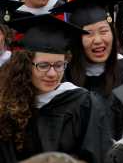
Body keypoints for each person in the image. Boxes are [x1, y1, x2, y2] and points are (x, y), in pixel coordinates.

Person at [0, 15, 112, 162]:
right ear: (25, 66)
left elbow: (98, 155)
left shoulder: (83, 104)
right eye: (43, 65)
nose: (52, 74)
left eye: (59, 65)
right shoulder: (10, 106)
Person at [51, 0, 123, 140]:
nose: (98, 40)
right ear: (76, 40)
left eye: (103, 31)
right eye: (89, 34)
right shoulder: (65, 78)